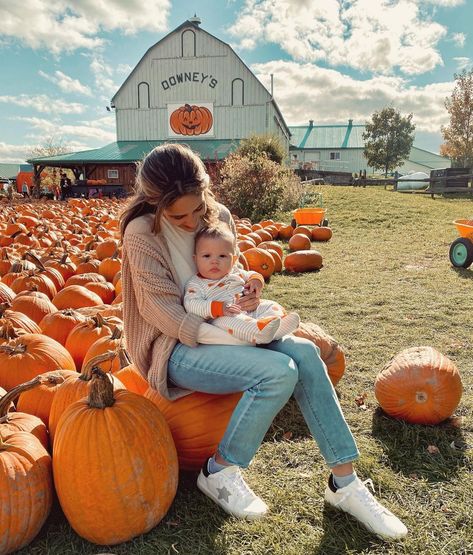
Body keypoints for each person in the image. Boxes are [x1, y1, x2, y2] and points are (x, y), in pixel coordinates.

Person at [120, 143, 408, 541]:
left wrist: (247, 291)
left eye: (197, 210)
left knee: (306, 353)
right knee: (277, 372)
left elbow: (230, 268)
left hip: (233, 329)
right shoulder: (141, 233)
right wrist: (235, 335)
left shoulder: (218, 215)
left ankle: (345, 484)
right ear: (155, 204)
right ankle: (219, 471)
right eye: (177, 215)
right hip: (176, 347)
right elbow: (163, 313)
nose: (190, 222)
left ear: (206, 192)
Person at [184, 223, 300, 344]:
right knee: (231, 321)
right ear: (195, 259)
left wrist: (256, 281)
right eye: (206, 256)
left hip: (249, 309)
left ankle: (277, 326)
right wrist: (220, 308)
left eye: (222, 256)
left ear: (233, 260)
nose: (214, 261)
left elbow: (252, 274)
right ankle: (260, 332)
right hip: (222, 317)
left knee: (270, 305)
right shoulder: (197, 283)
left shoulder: (235, 272)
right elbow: (191, 304)